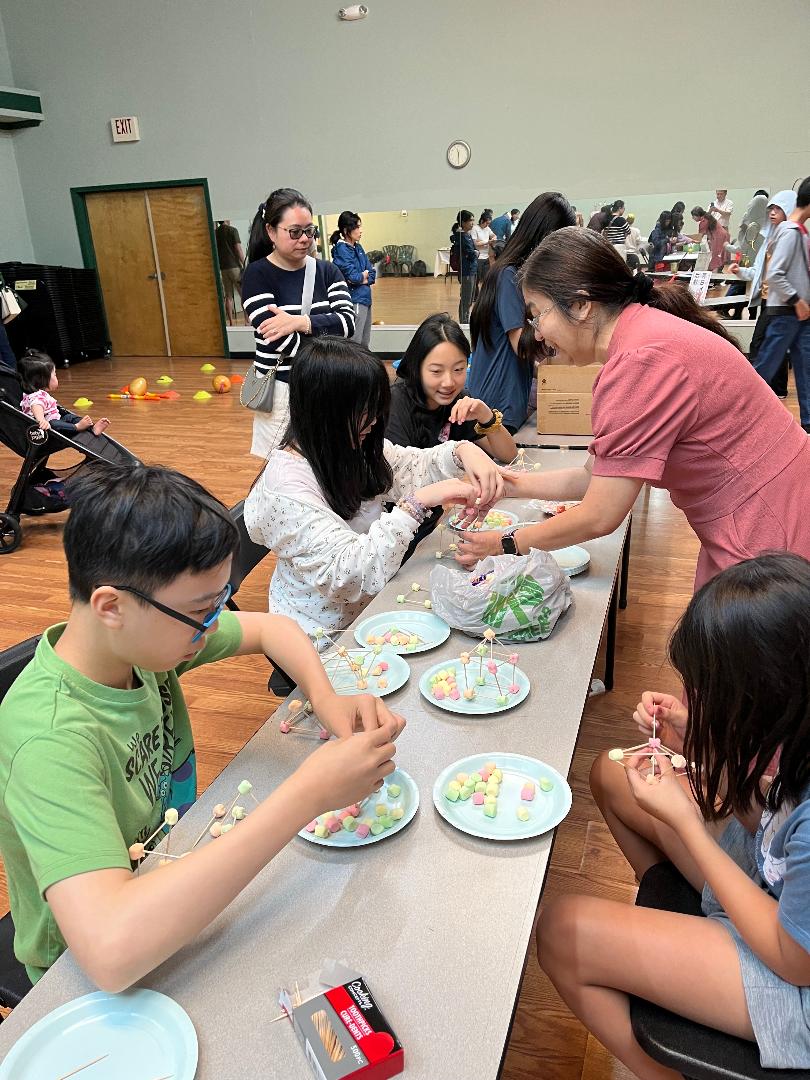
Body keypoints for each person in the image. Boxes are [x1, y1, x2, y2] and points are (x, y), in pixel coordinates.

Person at [0, 462, 403, 989]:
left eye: (218, 606)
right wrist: (307, 795)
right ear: (112, 606)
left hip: (166, 871)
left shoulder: (135, 645)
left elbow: (275, 628)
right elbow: (109, 951)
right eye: (202, 613)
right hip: (77, 971)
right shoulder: (49, 739)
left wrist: (326, 699)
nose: (213, 627)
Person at [539, 552, 810, 1076]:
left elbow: (793, 960)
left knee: (562, 931)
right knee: (611, 774)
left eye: (714, 695)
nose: (702, 702)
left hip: (794, 982)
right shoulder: (797, 735)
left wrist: (687, 822)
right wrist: (697, 741)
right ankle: (679, 925)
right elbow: (770, 819)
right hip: (773, 886)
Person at [455, 228, 810, 593]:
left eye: (537, 314)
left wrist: (506, 544)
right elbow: (593, 476)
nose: (539, 333)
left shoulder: (638, 362)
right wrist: (506, 485)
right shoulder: (642, 335)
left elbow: (601, 514)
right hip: (767, 508)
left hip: (770, 523)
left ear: (580, 305)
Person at [244, 337, 503, 639]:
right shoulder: (286, 489)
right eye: (364, 410)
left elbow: (409, 465)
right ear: (324, 411)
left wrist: (462, 451)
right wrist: (416, 505)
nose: (375, 420)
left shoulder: (347, 446)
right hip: (324, 636)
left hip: (372, 609)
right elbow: (349, 575)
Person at [241, 188, 355, 458]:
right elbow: (276, 338)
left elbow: (348, 324)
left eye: (309, 231)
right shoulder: (257, 275)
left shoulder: (327, 271)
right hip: (283, 392)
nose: (305, 239)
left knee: (326, 463)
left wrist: (300, 322)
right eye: (294, 232)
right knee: (279, 468)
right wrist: (328, 342)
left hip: (327, 387)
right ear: (271, 231)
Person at [467, 192, 576, 433]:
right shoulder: (509, 276)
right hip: (496, 404)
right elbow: (522, 346)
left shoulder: (517, 275)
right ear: (545, 237)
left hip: (506, 399)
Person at [387, 313, 517, 461]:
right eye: (437, 371)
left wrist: (486, 416)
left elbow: (509, 456)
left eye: (458, 369)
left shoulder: (460, 402)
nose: (448, 382)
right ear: (416, 368)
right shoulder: (395, 404)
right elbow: (402, 470)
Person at [750, 176, 810, 432]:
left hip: (799, 314)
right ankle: (740, 413)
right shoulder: (790, 233)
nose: (772, 213)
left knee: (805, 370)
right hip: (787, 312)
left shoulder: (798, 233)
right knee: (765, 367)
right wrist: (797, 300)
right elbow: (775, 274)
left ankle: (808, 424)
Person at [728, 189, 797, 398]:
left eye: (778, 209)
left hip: (782, 302)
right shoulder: (770, 239)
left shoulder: (791, 238)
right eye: (771, 209)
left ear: (788, 210)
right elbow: (758, 272)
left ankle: (766, 388)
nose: (772, 213)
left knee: (760, 343)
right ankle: (775, 388)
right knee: (772, 343)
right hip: (767, 300)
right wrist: (740, 271)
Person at [18, 349, 109, 437]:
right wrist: (41, 421)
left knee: (70, 417)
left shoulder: (38, 394)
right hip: (49, 431)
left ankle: (92, 428)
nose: (56, 377)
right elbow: (36, 406)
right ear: (42, 380)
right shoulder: (36, 398)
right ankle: (77, 427)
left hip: (58, 419)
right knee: (54, 424)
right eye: (54, 374)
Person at [329, 211, 376, 348]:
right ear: (346, 230)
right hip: (355, 299)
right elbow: (353, 277)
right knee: (355, 342)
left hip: (365, 298)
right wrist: (362, 276)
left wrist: (364, 277)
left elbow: (372, 273)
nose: (361, 231)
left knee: (365, 341)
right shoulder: (342, 250)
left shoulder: (358, 247)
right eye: (357, 227)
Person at [215, 220, 245, 325]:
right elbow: (238, 249)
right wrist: (245, 263)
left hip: (223, 268)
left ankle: (231, 322)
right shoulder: (232, 230)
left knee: (228, 296)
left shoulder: (216, 233)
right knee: (243, 294)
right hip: (235, 267)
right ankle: (247, 321)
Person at [451, 211, 478, 323]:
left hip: (471, 270)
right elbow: (472, 254)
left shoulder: (466, 235)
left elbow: (473, 252)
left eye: (473, 220)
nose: (472, 223)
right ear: (463, 222)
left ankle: (465, 320)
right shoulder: (462, 236)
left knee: (469, 299)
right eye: (470, 220)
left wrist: (475, 252)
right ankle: (464, 322)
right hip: (467, 271)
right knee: (466, 299)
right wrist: (475, 253)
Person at [691, 206, 729, 272]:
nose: (692, 218)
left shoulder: (703, 222)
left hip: (719, 237)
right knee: (717, 256)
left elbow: (699, 237)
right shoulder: (707, 217)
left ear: (697, 215)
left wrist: (687, 238)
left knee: (716, 256)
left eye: (693, 216)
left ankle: (715, 273)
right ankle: (717, 271)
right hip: (722, 235)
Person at [471, 211, 496, 298]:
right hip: (478, 257)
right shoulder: (475, 229)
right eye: (486, 223)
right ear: (482, 221)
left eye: (489, 223)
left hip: (486, 257)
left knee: (486, 278)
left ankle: (485, 297)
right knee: (477, 279)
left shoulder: (487, 228)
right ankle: (475, 296)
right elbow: (475, 243)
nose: (487, 225)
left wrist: (492, 239)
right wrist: (487, 242)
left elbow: (494, 235)